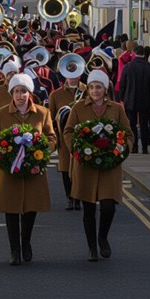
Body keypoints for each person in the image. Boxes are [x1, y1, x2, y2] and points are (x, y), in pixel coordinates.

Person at [64, 70, 134, 262]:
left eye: (99, 87)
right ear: (88, 89)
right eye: (92, 87)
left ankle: (102, 237)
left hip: (109, 165)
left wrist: (122, 149)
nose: (95, 91)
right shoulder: (78, 108)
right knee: (88, 209)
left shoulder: (116, 109)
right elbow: (68, 131)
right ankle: (92, 247)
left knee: (108, 206)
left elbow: (128, 133)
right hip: (85, 165)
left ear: (105, 89)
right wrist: (76, 149)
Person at [0, 73, 55, 266]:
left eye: (24, 91)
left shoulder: (42, 113)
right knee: (11, 209)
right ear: (12, 93)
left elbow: (51, 137)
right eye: (16, 91)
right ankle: (14, 249)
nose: (20, 95)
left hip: (33, 168)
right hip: (9, 169)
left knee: (31, 207)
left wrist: (42, 149)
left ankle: (25, 241)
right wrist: (0, 154)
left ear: (29, 93)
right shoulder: (0, 114)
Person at [48, 72, 84, 209]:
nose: (72, 76)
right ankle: (69, 196)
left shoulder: (87, 91)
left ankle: (78, 197)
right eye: (69, 73)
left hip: (83, 137)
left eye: (75, 73)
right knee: (65, 167)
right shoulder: (55, 95)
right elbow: (50, 117)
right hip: (63, 137)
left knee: (80, 168)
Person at [118, 46, 150, 154]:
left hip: (130, 99)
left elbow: (122, 84)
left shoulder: (128, 66)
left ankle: (134, 146)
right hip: (145, 99)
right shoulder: (148, 67)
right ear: (143, 54)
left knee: (132, 124)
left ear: (134, 53)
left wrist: (122, 97)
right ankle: (144, 147)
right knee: (144, 124)